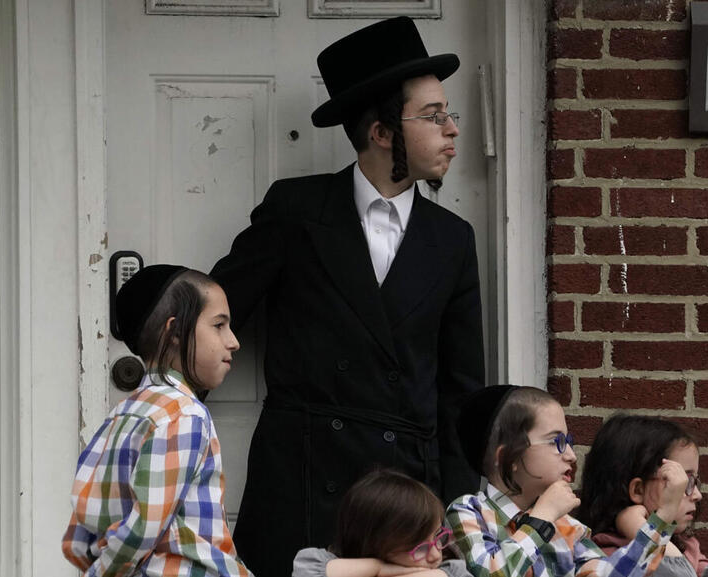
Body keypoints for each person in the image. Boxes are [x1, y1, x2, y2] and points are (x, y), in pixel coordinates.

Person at [211, 16, 484, 575]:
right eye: (434, 116)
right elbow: (214, 311)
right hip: (304, 476)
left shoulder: (453, 238)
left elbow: (461, 389)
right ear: (382, 132)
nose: (453, 129)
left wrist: (456, 512)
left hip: (404, 492)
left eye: (448, 114)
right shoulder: (296, 210)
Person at [62, 265, 247, 576]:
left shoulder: (123, 414)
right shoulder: (184, 414)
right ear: (175, 332)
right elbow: (145, 525)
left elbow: (80, 536)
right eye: (219, 325)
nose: (233, 341)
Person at [446, 385, 689, 577]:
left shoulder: (568, 527)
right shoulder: (469, 512)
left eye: (569, 442)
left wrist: (663, 516)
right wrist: (540, 520)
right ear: (508, 457)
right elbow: (490, 573)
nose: (571, 455)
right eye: (556, 442)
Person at [575, 414, 708, 577]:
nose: (697, 495)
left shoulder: (684, 545)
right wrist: (640, 527)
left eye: (694, 481)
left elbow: (705, 570)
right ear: (638, 490)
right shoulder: (608, 559)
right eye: (683, 481)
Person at [292, 469, 471, 577]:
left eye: (439, 537)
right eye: (420, 548)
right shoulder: (320, 564)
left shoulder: (448, 570)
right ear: (375, 545)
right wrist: (379, 568)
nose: (435, 555)